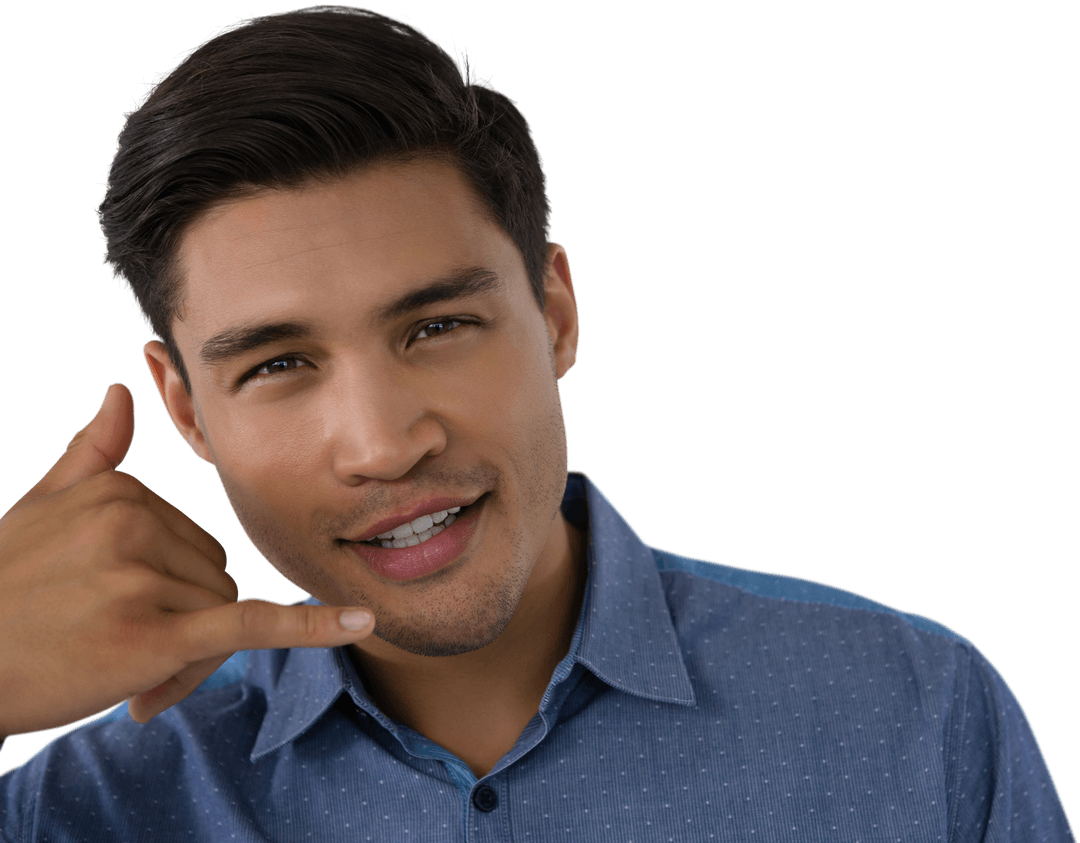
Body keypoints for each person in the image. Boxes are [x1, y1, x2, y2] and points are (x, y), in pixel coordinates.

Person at [0, 5, 1073, 840]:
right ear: (184, 404)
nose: (383, 443)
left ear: (554, 310)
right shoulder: (82, 806)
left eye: (434, 328)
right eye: (280, 364)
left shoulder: (915, 712)